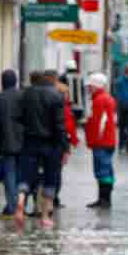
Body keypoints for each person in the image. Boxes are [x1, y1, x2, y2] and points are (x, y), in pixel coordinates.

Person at [15, 71, 69, 229]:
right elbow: (59, 125)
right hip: (50, 144)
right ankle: (45, 216)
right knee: (50, 179)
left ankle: (20, 202)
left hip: (30, 141)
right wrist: (64, 146)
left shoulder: (25, 94)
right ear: (52, 80)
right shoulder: (56, 96)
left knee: (25, 175)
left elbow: (18, 117)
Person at [0, 69, 23, 219]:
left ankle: (12, 207)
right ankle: (20, 204)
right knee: (21, 175)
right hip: (23, 142)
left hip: (6, 142)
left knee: (9, 175)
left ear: (2, 82)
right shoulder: (23, 96)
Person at [45, 69, 78, 209]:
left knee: (48, 171)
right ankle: (53, 199)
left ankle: (46, 201)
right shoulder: (64, 109)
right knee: (56, 171)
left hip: (46, 140)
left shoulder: (46, 98)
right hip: (58, 142)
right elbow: (68, 128)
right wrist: (69, 144)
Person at [85, 73, 118, 209]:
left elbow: (98, 123)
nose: (88, 88)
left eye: (90, 86)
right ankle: (104, 199)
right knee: (107, 170)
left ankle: (104, 200)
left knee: (102, 170)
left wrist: (93, 140)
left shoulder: (99, 100)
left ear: (95, 86)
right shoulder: (107, 98)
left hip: (101, 142)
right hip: (107, 140)